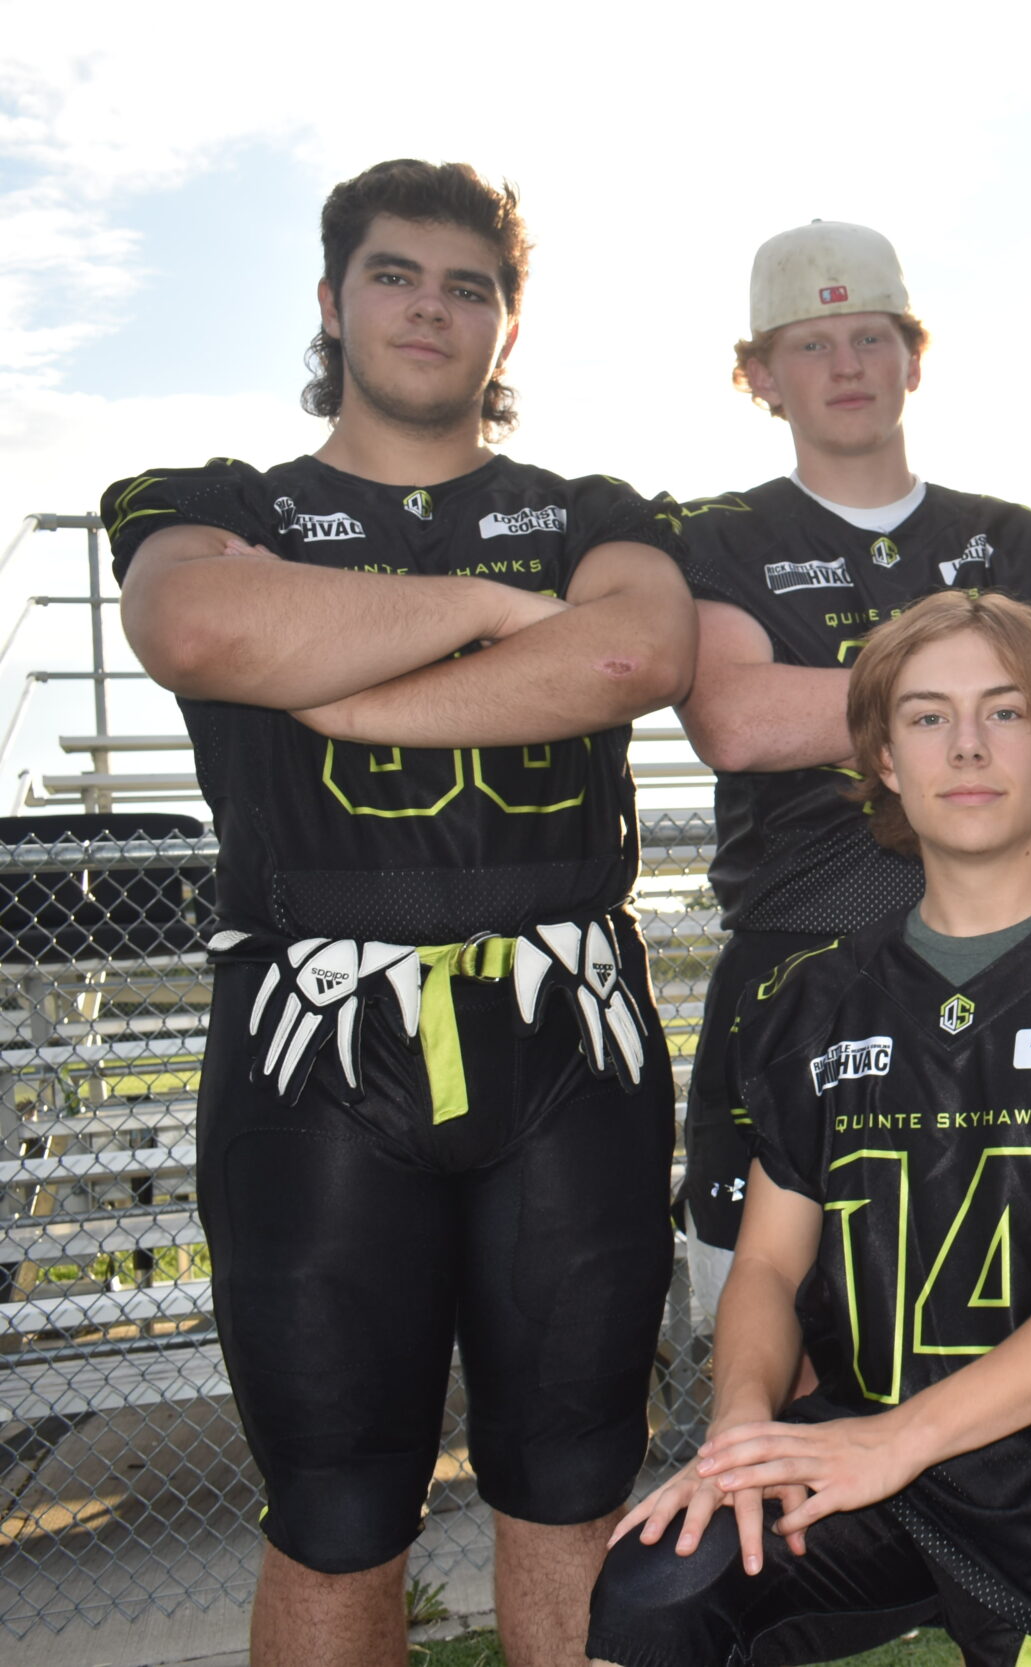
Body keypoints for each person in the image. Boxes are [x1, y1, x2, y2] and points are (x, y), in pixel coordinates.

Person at [102, 159, 695, 1667]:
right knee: (335, 1500)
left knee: (573, 1478)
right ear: (330, 301)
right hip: (314, 1045)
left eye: (469, 285)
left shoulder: (596, 510)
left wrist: (344, 694)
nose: (433, 307)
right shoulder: (219, 504)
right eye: (396, 275)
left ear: (507, 323)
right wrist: (500, 612)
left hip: (570, 1038)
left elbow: (634, 659)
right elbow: (201, 622)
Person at [587, 590, 1031, 1667]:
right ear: (883, 759)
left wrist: (899, 1443)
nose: (969, 744)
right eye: (928, 716)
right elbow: (765, 1264)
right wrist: (744, 1432)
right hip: (847, 1438)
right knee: (658, 1591)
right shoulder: (809, 996)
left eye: (1006, 711)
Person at [671, 220, 1031, 1324]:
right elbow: (737, 720)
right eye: (811, 345)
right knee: (776, 1320)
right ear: (760, 375)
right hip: (795, 960)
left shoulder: (1022, 540)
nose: (847, 365)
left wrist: (836, 695)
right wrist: (972, 697)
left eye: (871, 336)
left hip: (1010, 960)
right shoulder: (718, 536)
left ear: (916, 354)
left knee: (1024, 1310)